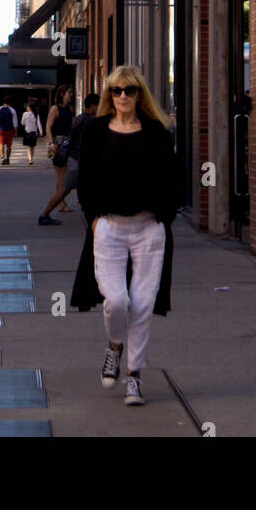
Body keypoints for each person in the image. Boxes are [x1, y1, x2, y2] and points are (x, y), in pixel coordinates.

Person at [71, 65, 180, 408]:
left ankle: (134, 377)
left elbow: (173, 179)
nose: (122, 96)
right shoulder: (96, 130)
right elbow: (84, 178)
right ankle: (115, 346)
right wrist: (93, 219)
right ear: (108, 95)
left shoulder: (157, 132)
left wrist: (165, 218)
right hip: (110, 227)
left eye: (129, 90)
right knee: (117, 301)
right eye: (116, 90)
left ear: (139, 94)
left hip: (149, 227)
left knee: (143, 304)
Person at [37, 92, 98, 222]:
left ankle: (89, 209)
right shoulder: (88, 120)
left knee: (84, 187)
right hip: (76, 161)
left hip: (75, 159)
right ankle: (44, 215)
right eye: (99, 106)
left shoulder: (80, 118)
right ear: (93, 106)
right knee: (64, 190)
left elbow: (71, 138)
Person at [41, 84, 75, 217]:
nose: (71, 95)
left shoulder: (70, 108)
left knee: (66, 173)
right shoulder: (55, 109)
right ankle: (61, 203)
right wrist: (51, 142)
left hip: (67, 142)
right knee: (61, 174)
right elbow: (48, 127)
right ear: (62, 94)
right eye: (69, 92)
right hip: (57, 144)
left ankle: (61, 201)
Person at [0, 94, 18, 165]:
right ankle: (8, 159)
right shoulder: (13, 110)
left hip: (1, 129)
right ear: (11, 102)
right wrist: (16, 132)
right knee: (9, 145)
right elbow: (15, 122)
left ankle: (2, 157)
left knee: (1, 144)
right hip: (9, 130)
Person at [21, 98, 43, 164]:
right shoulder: (36, 114)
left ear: (29, 108)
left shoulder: (25, 114)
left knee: (28, 146)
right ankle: (32, 159)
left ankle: (30, 159)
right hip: (34, 133)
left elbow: (22, 123)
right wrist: (41, 131)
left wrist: (26, 122)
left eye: (27, 106)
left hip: (27, 132)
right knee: (32, 146)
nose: (26, 107)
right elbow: (39, 123)